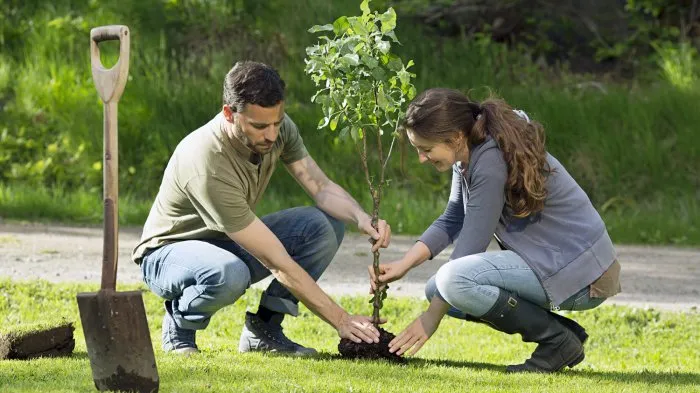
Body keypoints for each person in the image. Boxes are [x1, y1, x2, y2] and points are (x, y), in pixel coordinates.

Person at [132, 61, 392, 356]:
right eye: (259, 126)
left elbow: (320, 186)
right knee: (229, 274)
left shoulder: (276, 128)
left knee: (324, 226)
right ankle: (179, 324)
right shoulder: (207, 162)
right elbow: (276, 261)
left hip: (226, 241)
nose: (271, 135)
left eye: (277, 123)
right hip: (168, 255)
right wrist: (342, 320)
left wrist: (361, 217)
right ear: (229, 113)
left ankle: (264, 330)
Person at [368, 88, 621, 372]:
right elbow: (454, 218)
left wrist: (430, 319)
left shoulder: (490, 160)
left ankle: (556, 341)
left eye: (426, 150)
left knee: (453, 282)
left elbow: (470, 247)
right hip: (562, 266)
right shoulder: (468, 151)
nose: (422, 159)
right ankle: (561, 335)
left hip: (584, 276)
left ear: (455, 138)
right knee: (437, 288)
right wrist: (404, 264)